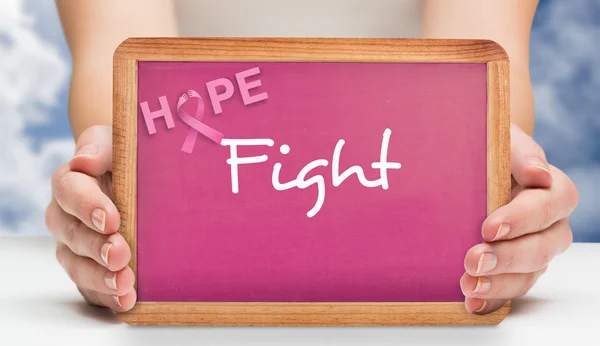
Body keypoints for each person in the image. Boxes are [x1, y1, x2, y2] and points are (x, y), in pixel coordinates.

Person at [48, 0, 578, 314]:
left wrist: (505, 188)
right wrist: (111, 200)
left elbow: (476, 83)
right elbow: (130, 102)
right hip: (188, 283)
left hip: (420, 280)